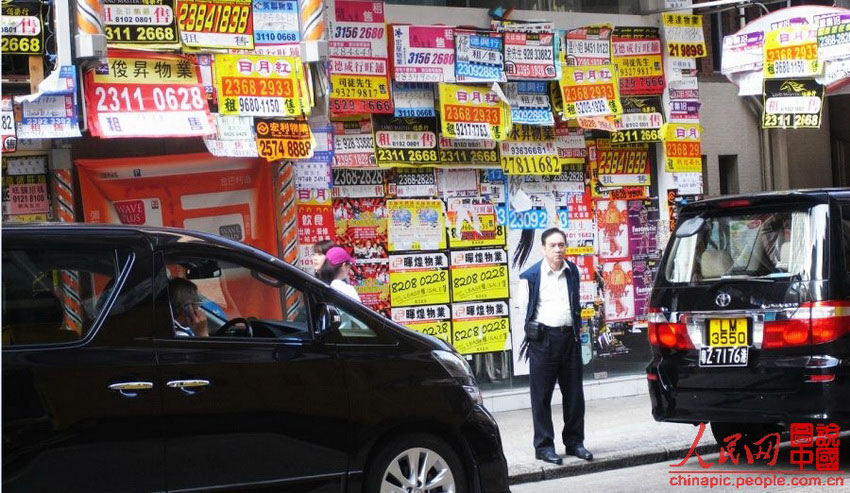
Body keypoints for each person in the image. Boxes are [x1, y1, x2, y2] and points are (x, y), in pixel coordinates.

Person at [517, 227, 592, 465]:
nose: (558, 250)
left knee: (574, 395)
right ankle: (544, 446)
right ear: (543, 248)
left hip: (569, 338)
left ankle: (574, 442)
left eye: (561, 245)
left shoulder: (572, 271)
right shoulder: (529, 277)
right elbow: (525, 310)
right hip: (544, 340)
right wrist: (537, 337)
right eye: (553, 246)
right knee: (541, 397)